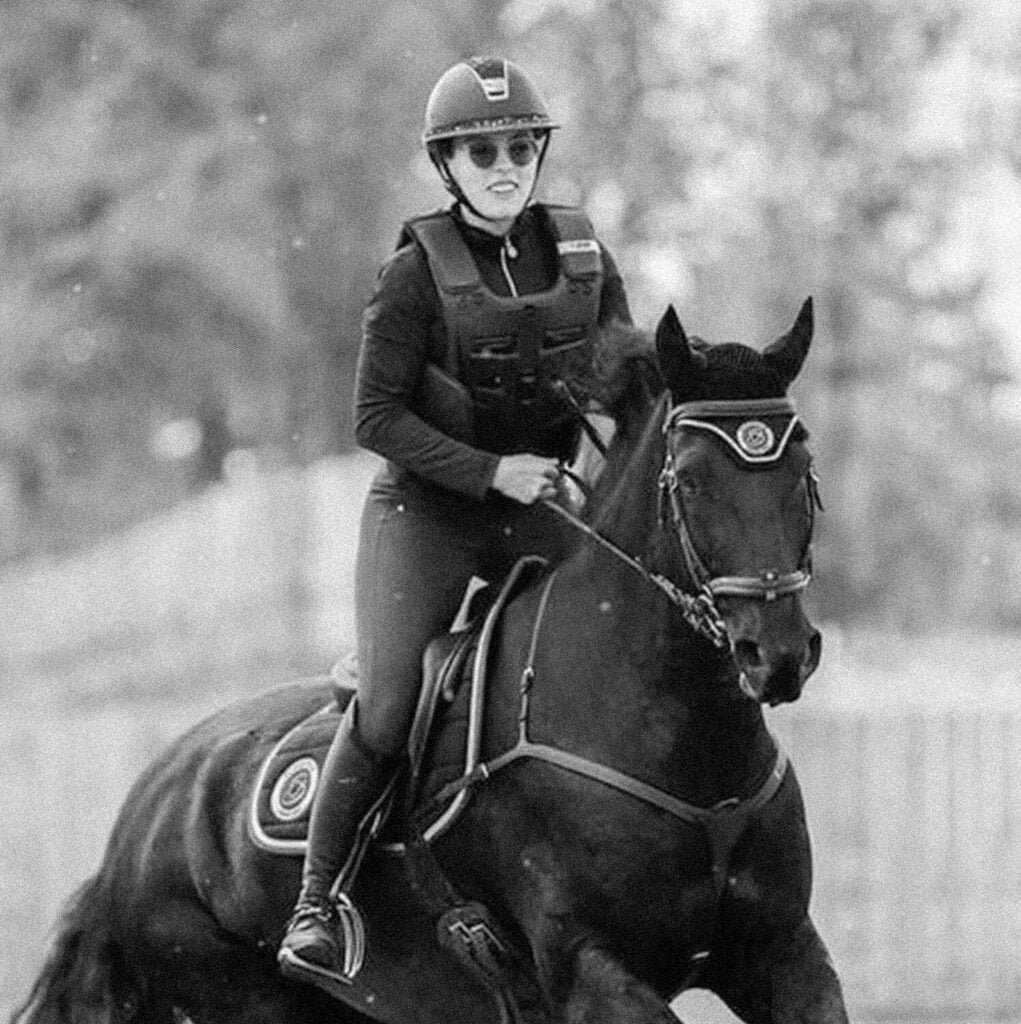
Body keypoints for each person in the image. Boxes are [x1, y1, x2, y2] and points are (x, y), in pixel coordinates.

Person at [278, 55, 632, 986]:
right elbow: (373, 418)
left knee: (620, 638)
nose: (504, 166)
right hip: (425, 516)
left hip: (538, 508)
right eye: (483, 151)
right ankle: (320, 902)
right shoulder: (410, 276)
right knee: (391, 708)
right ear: (447, 164)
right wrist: (490, 472)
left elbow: (627, 384)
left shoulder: (587, 260)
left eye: (519, 147)